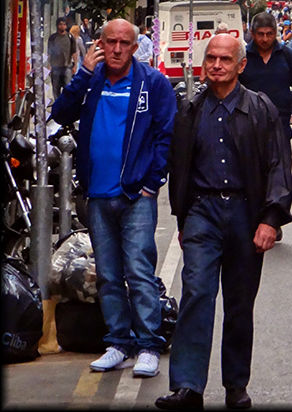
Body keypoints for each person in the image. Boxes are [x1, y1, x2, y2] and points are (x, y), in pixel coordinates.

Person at [156, 34, 292, 411]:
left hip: (245, 215)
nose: (217, 65)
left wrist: (270, 219)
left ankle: (235, 384)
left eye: (225, 60)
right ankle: (187, 386)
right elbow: (179, 166)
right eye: (211, 59)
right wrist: (183, 218)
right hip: (202, 212)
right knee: (196, 294)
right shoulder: (191, 110)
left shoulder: (260, 110)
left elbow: (279, 166)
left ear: (241, 65)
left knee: (239, 303)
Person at [50, 19, 176, 378]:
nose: (117, 49)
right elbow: (60, 114)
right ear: (99, 44)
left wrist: (152, 183)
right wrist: (83, 75)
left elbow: (166, 135)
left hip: (136, 196)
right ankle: (118, 343)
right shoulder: (92, 80)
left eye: (124, 43)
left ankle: (148, 344)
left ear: (135, 47)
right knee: (106, 275)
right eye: (110, 42)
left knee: (139, 271)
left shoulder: (152, 83)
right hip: (98, 195)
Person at [239, 12, 292, 241]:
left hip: (279, 126)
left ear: (276, 33)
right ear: (252, 33)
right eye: (260, 34)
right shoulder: (243, 57)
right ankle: (255, 218)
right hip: (247, 127)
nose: (265, 39)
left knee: (279, 174)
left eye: (269, 34)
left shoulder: (288, 57)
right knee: (252, 175)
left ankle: (274, 218)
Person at [48, 16, 76, 99]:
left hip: (67, 66)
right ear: (57, 25)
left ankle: (66, 105)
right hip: (55, 67)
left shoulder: (70, 37)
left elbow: (74, 52)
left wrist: (75, 65)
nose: (62, 26)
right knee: (56, 89)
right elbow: (49, 52)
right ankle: (57, 104)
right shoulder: (53, 38)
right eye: (60, 24)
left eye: (64, 24)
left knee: (67, 88)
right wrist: (49, 65)